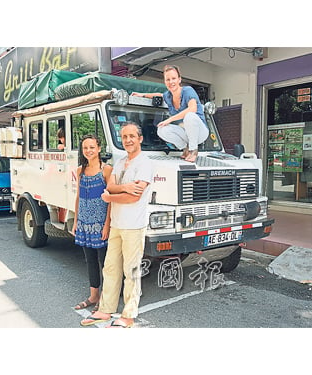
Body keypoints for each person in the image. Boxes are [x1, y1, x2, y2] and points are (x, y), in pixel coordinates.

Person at [80, 122, 154, 328]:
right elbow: (110, 186)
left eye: (132, 136)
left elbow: (133, 198)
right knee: (110, 268)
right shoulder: (120, 162)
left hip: (134, 225)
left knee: (131, 271)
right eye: (124, 137)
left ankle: (128, 315)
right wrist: (122, 189)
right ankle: (105, 310)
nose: (128, 140)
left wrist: (110, 197)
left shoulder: (145, 163)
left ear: (140, 139)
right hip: (117, 225)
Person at [132, 64, 209, 163]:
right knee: (161, 129)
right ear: (165, 82)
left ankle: (193, 150)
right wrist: (142, 95)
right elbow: (159, 95)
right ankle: (185, 148)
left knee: (189, 116)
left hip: (200, 132)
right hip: (186, 133)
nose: (171, 82)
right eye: (168, 79)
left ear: (179, 80)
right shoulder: (168, 96)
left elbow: (192, 109)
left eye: (173, 78)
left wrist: (169, 120)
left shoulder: (188, 90)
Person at [72, 135, 112, 313]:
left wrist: (107, 224)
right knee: (89, 260)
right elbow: (78, 196)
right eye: (85, 148)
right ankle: (93, 295)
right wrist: (75, 221)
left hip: (100, 223)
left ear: (99, 149)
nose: (88, 151)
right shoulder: (80, 170)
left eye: (92, 147)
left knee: (104, 261)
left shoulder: (106, 170)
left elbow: (110, 200)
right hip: (84, 222)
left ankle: (105, 297)